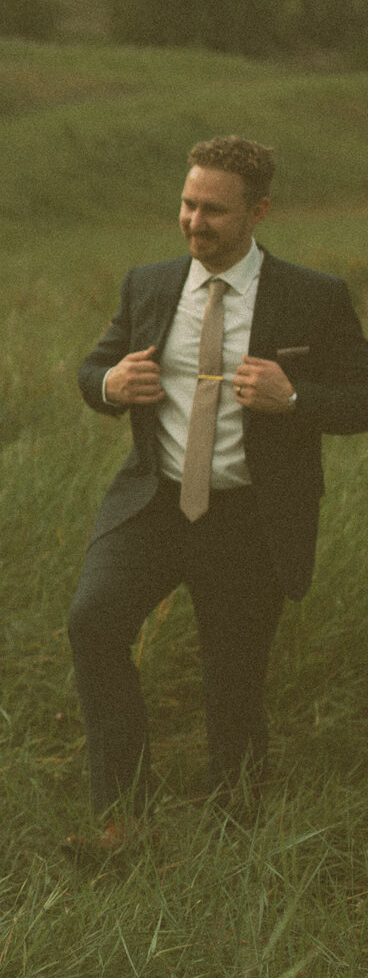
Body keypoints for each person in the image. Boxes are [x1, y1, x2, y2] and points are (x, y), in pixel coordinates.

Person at [68, 136, 368, 841]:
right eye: (187, 204)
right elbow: (95, 368)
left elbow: (362, 397)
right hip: (155, 503)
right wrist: (110, 386)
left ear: (259, 211)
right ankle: (124, 817)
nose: (195, 223)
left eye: (215, 211)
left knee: (233, 680)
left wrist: (295, 400)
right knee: (94, 623)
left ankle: (234, 832)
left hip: (249, 517)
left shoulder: (313, 298)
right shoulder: (148, 283)